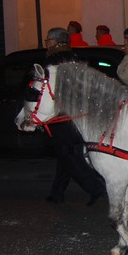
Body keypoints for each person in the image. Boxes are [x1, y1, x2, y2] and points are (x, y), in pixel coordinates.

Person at [42, 27, 106, 205]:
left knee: (65, 153)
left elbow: (48, 91)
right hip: (78, 113)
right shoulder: (77, 59)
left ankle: (96, 187)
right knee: (67, 154)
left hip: (61, 114)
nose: (46, 43)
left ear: (55, 42)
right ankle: (57, 193)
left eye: (48, 40)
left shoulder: (52, 62)